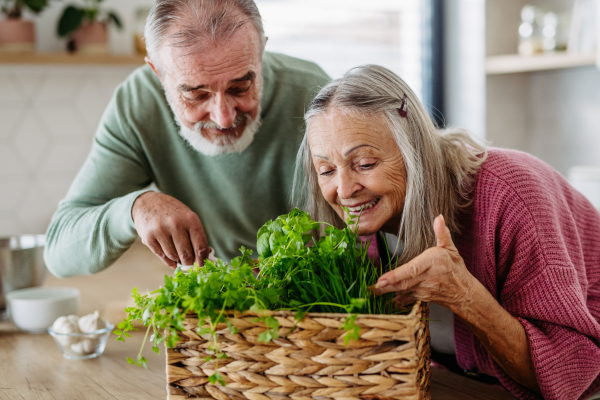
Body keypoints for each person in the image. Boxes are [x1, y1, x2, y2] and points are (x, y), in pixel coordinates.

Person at [296, 64, 600, 400]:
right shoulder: (356, 228)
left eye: (365, 163)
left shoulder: (511, 192)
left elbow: (569, 377)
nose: (344, 189)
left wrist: (464, 295)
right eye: (325, 170)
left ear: (415, 150)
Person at [44, 0, 329, 277]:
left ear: (261, 51)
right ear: (158, 74)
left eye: (240, 87)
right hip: (225, 305)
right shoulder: (138, 104)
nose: (224, 117)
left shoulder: (315, 95)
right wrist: (133, 209)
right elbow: (59, 252)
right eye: (196, 95)